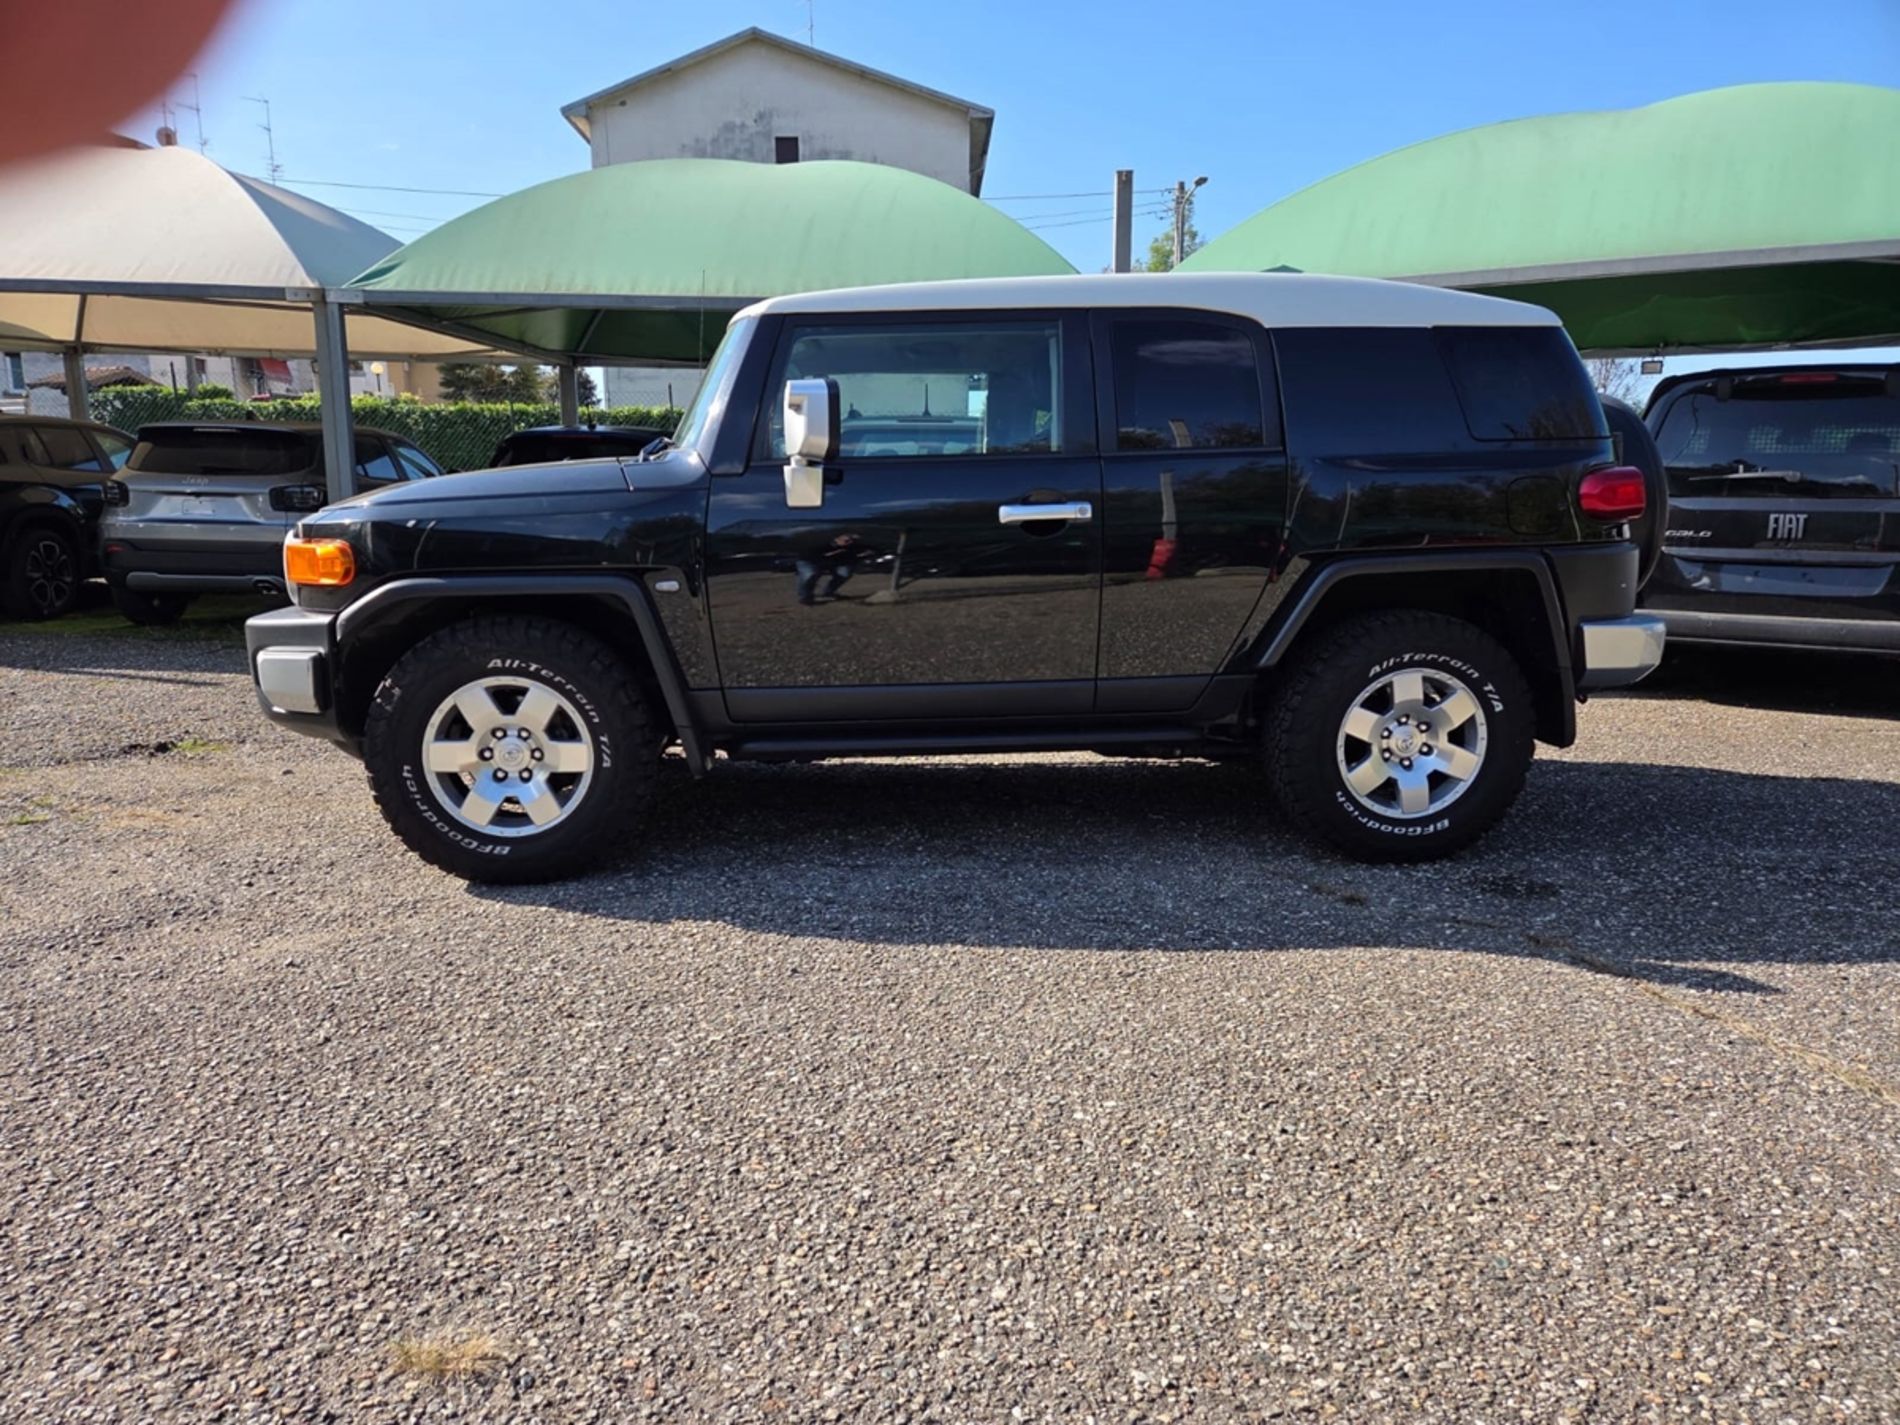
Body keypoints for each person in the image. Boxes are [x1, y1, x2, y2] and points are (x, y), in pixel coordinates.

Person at [795, 532, 864, 605]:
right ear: (837, 539)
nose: (850, 542)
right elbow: (807, 555)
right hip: (810, 561)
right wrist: (828, 555)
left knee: (845, 573)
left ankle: (829, 592)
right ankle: (805, 596)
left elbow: (854, 557)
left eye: (852, 540)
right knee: (810, 574)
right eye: (846, 540)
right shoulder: (823, 544)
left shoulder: (852, 547)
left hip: (832, 563)